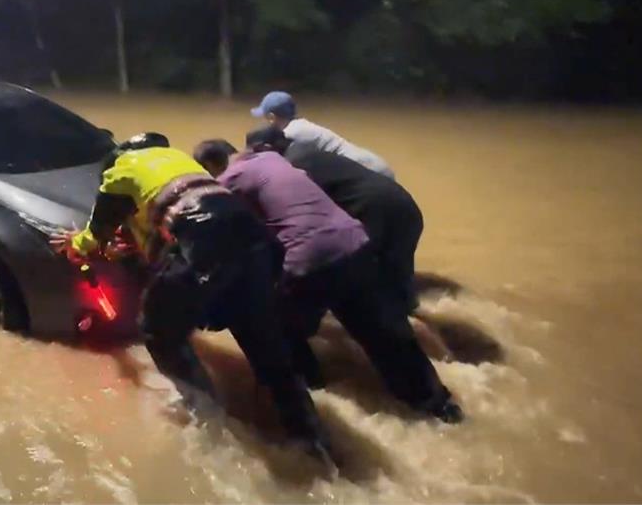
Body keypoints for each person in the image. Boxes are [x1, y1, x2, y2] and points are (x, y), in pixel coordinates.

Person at [51, 133, 336, 463]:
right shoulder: (181, 163)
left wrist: (78, 244)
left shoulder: (120, 171)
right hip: (257, 242)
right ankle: (313, 440)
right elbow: (165, 222)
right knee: (261, 340)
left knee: (157, 329)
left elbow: (96, 233)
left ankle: (208, 422)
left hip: (203, 239)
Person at [193, 139, 463, 423]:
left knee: (279, 328)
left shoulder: (229, 180)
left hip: (310, 258)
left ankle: (318, 398)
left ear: (211, 166)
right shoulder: (273, 160)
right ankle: (439, 406)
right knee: (386, 334)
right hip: (355, 243)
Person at [245, 125, 422, 312]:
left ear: (265, 148)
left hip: (375, 212)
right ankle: (430, 322)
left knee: (364, 282)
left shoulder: (290, 166)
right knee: (398, 279)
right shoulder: (310, 152)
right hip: (404, 205)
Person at [250, 91, 395, 178]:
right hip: (373, 163)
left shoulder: (291, 134)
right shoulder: (302, 125)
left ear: (271, 117)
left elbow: (284, 170)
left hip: (368, 171)